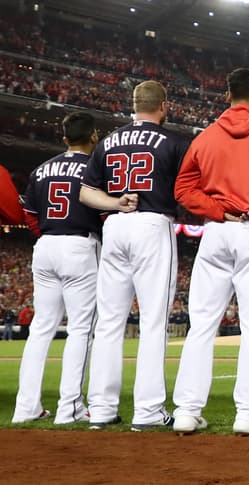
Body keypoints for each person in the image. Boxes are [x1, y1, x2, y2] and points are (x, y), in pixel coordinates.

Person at [170, 67, 249, 436]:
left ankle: (187, 411)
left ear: (226, 95)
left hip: (216, 231)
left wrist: (217, 210)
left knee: (201, 326)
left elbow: (183, 190)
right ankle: (248, 413)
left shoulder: (204, 138)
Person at [79, 81, 190, 431]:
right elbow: (187, 190)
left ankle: (100, 409)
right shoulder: (172, 141)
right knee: (153, 322)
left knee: (109, 323)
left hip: (116, 225)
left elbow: (85, 192)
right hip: (153, 225)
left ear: (133, 104)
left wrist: (115, 203)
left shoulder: (109, 140)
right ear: (164, 105)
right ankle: (148, 411)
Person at [13, 111, 125, 424]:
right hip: (79, 245)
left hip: (46, 246)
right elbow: (108, 214)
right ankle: (70, 408)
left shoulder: (41, 169)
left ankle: (26, 409)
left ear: (64, 138)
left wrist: (49, 236)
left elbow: (30, 214)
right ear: (93, 136)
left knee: (40, 330)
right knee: (79, 330)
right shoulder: (96, 168)